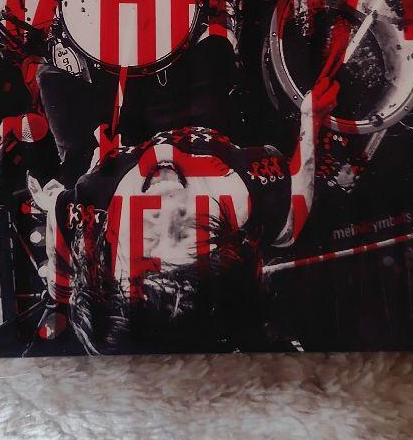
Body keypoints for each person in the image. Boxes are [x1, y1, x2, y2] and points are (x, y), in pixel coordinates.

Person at [30, 58, 342, 353]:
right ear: (227, 248)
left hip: (106, 139)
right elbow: (292, 219)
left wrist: (58, 293)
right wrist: (311, 121)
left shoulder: (81, 219)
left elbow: (60, 247)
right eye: (188, 231)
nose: (166, 207)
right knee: (209, 46)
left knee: (49, 73)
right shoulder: (259, 197)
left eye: (146, 241)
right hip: (193, 114)